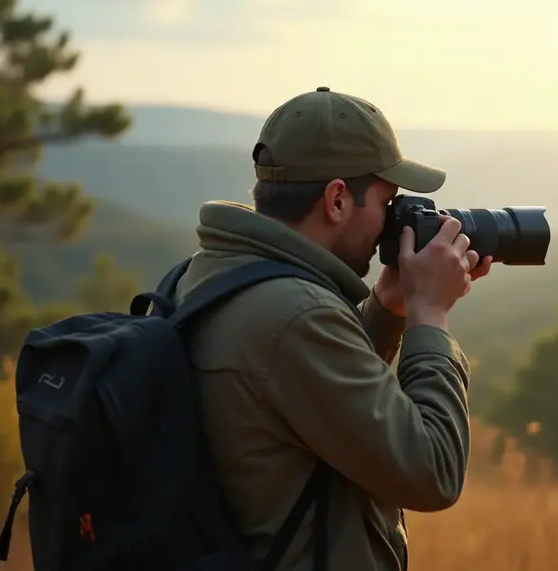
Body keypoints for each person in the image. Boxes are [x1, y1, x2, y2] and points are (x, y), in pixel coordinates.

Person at [173, 86, 492, 571]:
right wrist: (431, 316)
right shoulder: (296, 315)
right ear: (337, 200)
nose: (393, 222)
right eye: (388, 203)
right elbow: (433, 472)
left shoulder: (212, 273)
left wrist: (389, 306)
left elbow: (307, 395)